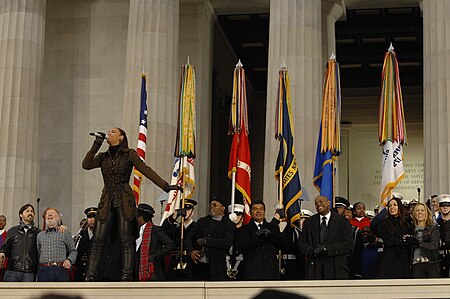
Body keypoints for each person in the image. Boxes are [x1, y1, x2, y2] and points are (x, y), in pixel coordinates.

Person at [82, 127, 179, 281]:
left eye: (113, 132)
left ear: (121, 137)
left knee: (126, 239)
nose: (109, 133)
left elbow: (145, 170)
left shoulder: (129, 154)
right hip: (106, 200)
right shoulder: (103, 156)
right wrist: (97, 143)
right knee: (98, 239)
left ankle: (126, 275)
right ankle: (90, 275)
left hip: (124, 201)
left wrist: (166, 186)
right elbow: (86, 164)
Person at [298, 195, 353, 279]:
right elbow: (301, 244)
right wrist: (312, 251)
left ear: (328, 203)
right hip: (315, 269)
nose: (318, 204)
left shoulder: (342, 222)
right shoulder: (309, 222)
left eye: (321, 202)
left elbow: (348, 244)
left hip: (336, 269)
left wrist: (327, 249)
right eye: (316, 203)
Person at [186, 196, 235, 281]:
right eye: (211, 205)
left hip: (217, 265)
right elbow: (188, 238)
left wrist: (206, 241)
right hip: (198, 264)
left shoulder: (228, 225)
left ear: (223, 208)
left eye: (215, 205)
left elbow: (227, 242)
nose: (212, 207)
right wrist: (191, 251)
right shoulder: (202, 221)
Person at [237, 200, 288, 280]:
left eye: (261, 209)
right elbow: (241, 247)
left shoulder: (272, 228)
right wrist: (257, 235)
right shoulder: (243, 230)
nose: (258, 211)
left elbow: (283, 244)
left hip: (271, 272)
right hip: (252, 273)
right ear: (250, 212)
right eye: (255, 209)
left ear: (264, 212)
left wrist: (270, 235)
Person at [371, 197, 413, 278]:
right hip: (388, 258)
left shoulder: (407, 223)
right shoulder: (384, 224)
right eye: (389, 206)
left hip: (403, 258)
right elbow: (373, 224)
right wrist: (384, 210)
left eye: (395, 205)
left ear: (399, 207)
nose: (392, 207)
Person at [134, 203, 175, 281]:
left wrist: (154, 256)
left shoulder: (155, 230)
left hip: (152, 272)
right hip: (136, 272)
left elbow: (170, 244)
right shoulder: (134, 231)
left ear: (141, 217)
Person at [0, 204, 39, 281]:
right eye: (27, 211)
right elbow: (5, 248)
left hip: (30, 272)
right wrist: (2, 253)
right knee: (8, 293)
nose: (30, 213)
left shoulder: (38, 232)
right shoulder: (12, 230)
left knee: (27, 293)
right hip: (12, 270)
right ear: (21, 215)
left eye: (32, 211)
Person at [37, 207, 77, 282]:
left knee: (61, 293)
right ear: (45, 218)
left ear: (58, 218)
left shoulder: (65, 232)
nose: (49, 215)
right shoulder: (40, 235)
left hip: (60, 270)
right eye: (47, 214)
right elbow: (38, 252)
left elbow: (73, 251)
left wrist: (69, 260)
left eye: (52, 213)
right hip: (43, 271)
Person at [161, 198, 198, 281]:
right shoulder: (176, 227)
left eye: (188, 209)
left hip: (190, 261)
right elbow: (163, 230)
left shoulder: (197, 227)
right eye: (184, 209)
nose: (186, 212)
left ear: (193, 211)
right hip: (175, 260)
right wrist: (174, 216)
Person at [405, 203, 441, 278]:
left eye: (422, 210)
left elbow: (434, 245)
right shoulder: (410, 228)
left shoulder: (434, 227)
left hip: (432, 263)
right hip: (416, 264)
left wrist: (419, 243)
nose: (420, 212)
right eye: (417, 211)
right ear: (414, 214)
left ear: (426, 212)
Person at [74, 207, 97, 281]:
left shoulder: (101, 234)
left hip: (96, 269)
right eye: (89, 217)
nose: (92, 220)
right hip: (82, 269)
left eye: (94, 217)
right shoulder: (81, 234)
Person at [437, 194, 450, 277]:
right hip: (439, 257)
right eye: (443, 206)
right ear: (439, 207)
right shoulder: (435, 223)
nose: (445, 208)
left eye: (448, 206)